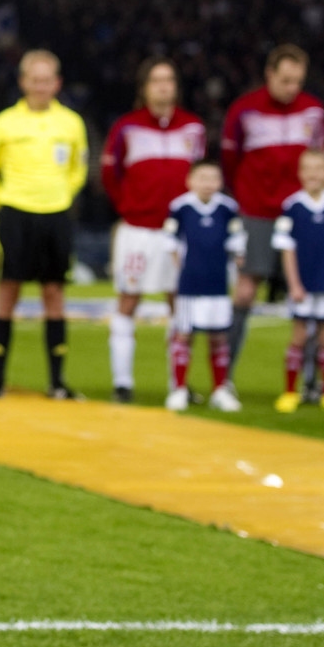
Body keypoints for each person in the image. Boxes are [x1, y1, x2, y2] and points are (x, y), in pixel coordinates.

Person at [0, 49, 88, 400]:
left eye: (47, 79)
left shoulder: (71, 123)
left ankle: (57, 382)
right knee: (8, 290)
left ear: (57, 83)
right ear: (23, 81)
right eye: (34, 79)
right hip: (15, 214)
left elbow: (78, 169)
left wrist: (59, 196)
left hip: (56, 214)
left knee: (54, 293)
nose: (40, 85)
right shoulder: (5, 122)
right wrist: (8, 202)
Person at [219, 45, 324, 385]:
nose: (291, 88)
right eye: (285, 80)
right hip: (257, 213)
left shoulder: (314, 112)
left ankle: (309, 382)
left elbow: (319, 162)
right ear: (269, 75)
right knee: (246, 291)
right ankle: (225, 377)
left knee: (308, 293)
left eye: (297, 81)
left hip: (301, 216)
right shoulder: (244, 111)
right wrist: (248, 201)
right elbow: (230, 162)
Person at [100, 57, 204, 403]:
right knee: (128, 300)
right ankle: (122, 384)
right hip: (138, 231)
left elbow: (201, 178)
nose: (163, 87)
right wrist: (131, 207)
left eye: (169, 80)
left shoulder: (194, 129)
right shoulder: (126, 128)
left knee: (180, 306)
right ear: (144, 88)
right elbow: (110, 177)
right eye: (156, 81)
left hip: (179, 233)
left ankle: (178, 385)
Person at [271, 149, 324, 414]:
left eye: (319, 169)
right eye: (308, 169)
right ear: (300, 173)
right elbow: (287, 249)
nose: (313, 174)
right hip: (302, 286)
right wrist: (293, 284)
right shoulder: (292, 206)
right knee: (297, 337)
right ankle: (289, 391)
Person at [163, 161, 244, 413]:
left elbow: (237, 246)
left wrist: (236, 275)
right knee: (184, 334)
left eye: (213, 178)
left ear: (220, 182)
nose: (208, 183)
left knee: (218, 337)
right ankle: (178, 389)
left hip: (218, 284)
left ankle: (220, 389)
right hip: (190, 285)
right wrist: (183, 273)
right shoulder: (180, 208)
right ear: (190, 181)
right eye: (202, 177)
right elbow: (171, 245)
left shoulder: (228, 209)